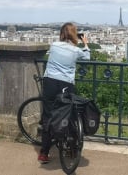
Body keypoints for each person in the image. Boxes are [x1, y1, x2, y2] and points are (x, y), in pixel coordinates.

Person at [38, 22, 90, 164]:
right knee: (69, 113)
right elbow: (87, 58)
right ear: (75, 35)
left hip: (50, 82)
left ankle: (44, 152)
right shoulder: (76, 51)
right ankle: (72, 149)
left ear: (61, 34)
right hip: (66, 84)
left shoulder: (54, 45)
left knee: (48, 115)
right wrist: (85, 44)